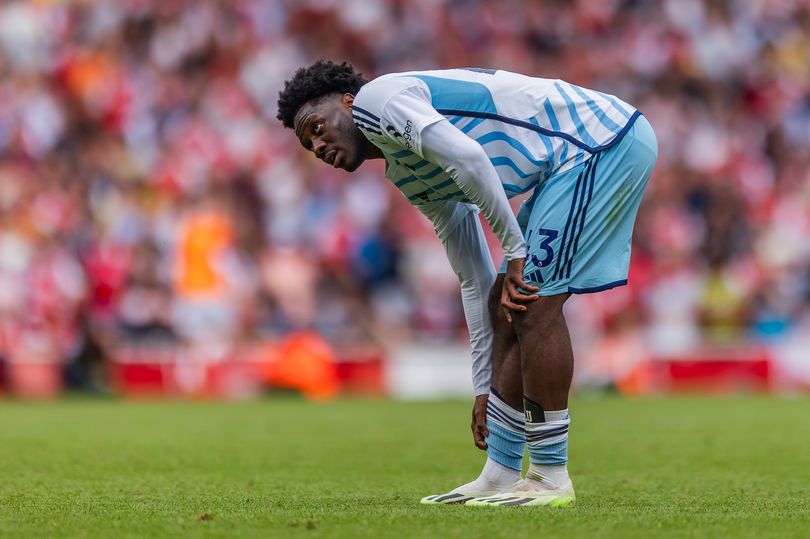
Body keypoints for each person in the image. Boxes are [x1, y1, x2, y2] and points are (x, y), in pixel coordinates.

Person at [276, 60, 658, 507]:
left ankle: (551, 476)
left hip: (600, 142)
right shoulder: (407, 172)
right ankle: (499, 471)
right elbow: (474, 279)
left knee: (533, 302)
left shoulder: (378, 101)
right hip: (568, 163)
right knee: (505, 301)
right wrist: (484, 387)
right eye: (308, 143)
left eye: (317, 127)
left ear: (347, 101)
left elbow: (470, 157)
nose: (318, 145)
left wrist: (515, 253)